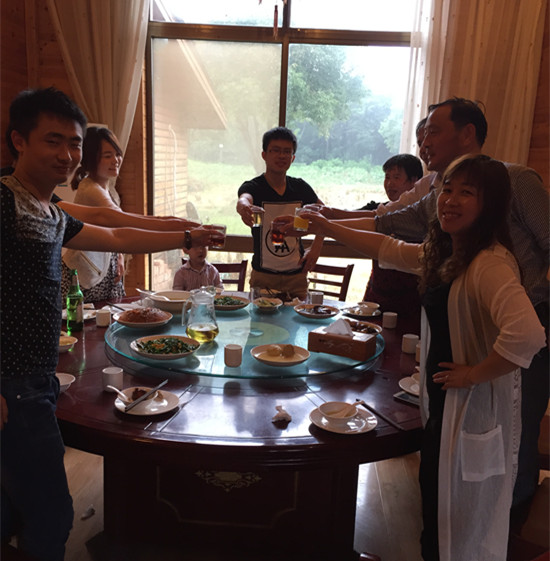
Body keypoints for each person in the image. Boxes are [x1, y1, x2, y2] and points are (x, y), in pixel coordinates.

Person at [0, 87, 219, 561]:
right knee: (51, 514)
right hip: (11, 383)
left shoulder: (50, 210)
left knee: (12, 508)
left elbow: (117, 233)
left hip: (35, 377)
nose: (67, 155)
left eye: (75, 143)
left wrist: (185, 234)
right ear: (19, 140)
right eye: (53, 140)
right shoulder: (4, 200)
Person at [297, 154, 546, 561]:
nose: (450, 199)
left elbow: (528, 334)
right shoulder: (449, 253)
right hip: (444, 402)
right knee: (436, 510)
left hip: (472, 407)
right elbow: (387, 247)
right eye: (447, 189)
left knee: (462, 521)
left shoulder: (490, 263)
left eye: (467, 192)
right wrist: (327, 226)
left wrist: (473, 374)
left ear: (492, 205)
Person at [236, 126, 324, 300]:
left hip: (297, 277)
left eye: (287, 151)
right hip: (263, 277)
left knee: (299, 318)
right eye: (275, 150)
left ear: (293, 157)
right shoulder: (254, 186)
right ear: (264, 155)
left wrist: (316, 248)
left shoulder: (300, 188)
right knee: (260, 318)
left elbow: (324, 216)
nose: (281, 156)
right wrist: (244, 207)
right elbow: (244, 199)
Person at [61, 126, 126, 303]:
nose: (115, 160)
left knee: (113, 315)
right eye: (107, 156)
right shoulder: (90, 188)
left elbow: (116, 228)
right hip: (84, 273)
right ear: (91, 159)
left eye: (117, 154)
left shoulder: (110, 189)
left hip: (105, 269)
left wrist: (120, 256)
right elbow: (120, 220)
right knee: (87, 319)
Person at [361, 155, 424, 323]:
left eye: (396, 177)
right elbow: (344, 219)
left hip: (410, 301)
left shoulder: (420, 217)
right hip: (376, 294)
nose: (389, 183)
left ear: (414, 182)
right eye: (387, 177)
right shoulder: (377, 210)